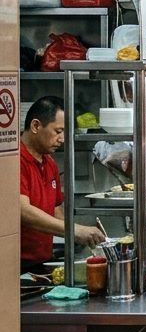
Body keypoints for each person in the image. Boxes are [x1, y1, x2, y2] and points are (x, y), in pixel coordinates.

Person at [20, 97, 104, 273]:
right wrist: (72, 230)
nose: (62, 139)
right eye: (58, 131)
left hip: (42, 262)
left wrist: (80, 234)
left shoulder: (49, 162)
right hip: (17, 264)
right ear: (36, 126)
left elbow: (55, 209)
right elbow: (21, 211)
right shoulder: (15, 160)